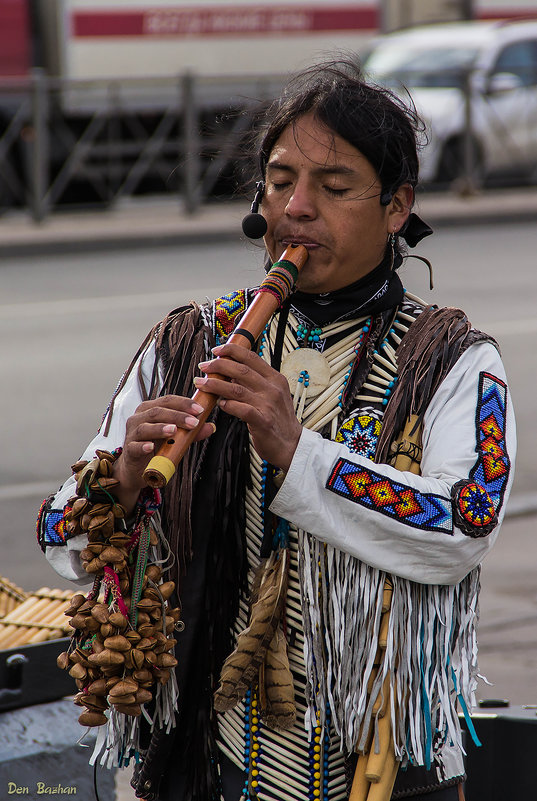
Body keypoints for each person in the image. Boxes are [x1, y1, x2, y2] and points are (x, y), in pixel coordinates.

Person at [38, 61, 515, 801]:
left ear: (396, 207)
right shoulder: (186, 340)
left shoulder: (452, 358)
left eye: (333, 187)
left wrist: (298, 454)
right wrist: (124, 480)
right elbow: (55, 529)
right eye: (279, 180)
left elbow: (462, 525)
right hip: (204, 757)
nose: (295, 209)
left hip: (382, 760)